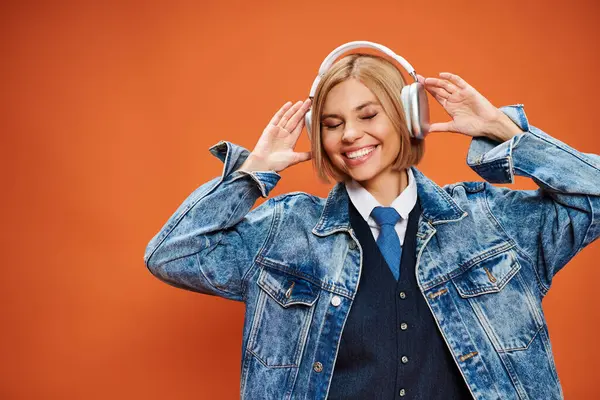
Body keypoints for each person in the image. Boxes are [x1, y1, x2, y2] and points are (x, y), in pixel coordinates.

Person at [144, 42, 599, 399]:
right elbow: (172, 253)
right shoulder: (287, 233)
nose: (350, 135)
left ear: (409, 117)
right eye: (331, 123)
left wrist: (507, 133)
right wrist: (252, 174)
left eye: (368, 115)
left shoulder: (490, 222)